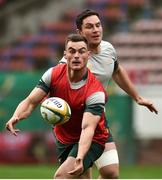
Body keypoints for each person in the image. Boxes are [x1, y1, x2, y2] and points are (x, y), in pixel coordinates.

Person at [59, 9, 158, 179]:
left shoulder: (108, 49)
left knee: (111, 173)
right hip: (74, 125)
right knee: (78, 174)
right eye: (89, 27)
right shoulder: (70, 62)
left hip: (97, 119)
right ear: (80, 32)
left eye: (98, 25)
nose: (96, 30)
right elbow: (56, 87)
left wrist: (137, 97)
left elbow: (117, 71)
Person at [6, 34, 109, 179]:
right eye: (72, 51)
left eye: (81, 51)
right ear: (65, 54)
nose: (76, 56)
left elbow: (88, 128)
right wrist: (16, 116)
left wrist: (80, 157)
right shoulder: (52, 74)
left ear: (88, 54)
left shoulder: (95, 91)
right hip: (64, 138)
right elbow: (30, 101)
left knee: (61, 177)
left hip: (92, 140)